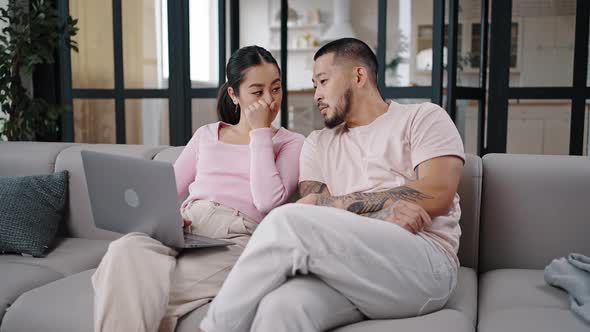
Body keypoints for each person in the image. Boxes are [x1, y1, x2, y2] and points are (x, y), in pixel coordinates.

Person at [200, 37, 465, 332]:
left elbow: (438, 192)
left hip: (424, 264)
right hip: (350, 270)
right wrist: (385, 212)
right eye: (314, 85)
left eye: (323, 81)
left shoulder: (423, 117)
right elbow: (313, 208)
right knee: (283, 307)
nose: (316, 95)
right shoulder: (317, 144)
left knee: (287, 221)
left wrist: (338, 205)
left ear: (359, 76)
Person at [91, 45, 305, 332]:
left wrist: (260, 133)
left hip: (237, 237)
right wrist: (170, 219)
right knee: (124, 249)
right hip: (188, 228)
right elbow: (164, 191)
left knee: (131, 285)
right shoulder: (206, 135)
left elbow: (267, 202)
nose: (269, 100)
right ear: (234, 94)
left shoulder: (291, 143)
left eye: (276, 89)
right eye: (257, 92)